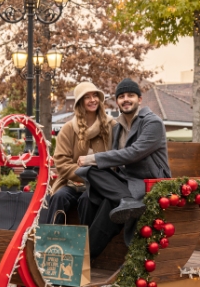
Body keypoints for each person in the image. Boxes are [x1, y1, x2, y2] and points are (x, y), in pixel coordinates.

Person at [76, 78, 171, 257]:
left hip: (150, 182)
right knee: (88, 175)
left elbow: (133, 153)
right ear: (117, 101)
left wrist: (93, 158)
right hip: (126, 183)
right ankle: (126, 199)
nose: (126, 99)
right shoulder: (117, 127)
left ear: (140, 99)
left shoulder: (153, 123)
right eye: (121, 96)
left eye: (131, 95)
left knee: (108, 202)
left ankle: (84, 258)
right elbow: (116, 163)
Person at [44, 82, 114, 224]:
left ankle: (87, 244)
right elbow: (62, 162)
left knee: (88, 200)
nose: (92, 100)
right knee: (59, 197)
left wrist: (97, 178)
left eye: (95, 96)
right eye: (87, 97)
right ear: (80, 102)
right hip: (72, 183)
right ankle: (49, 241)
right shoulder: (68, 128)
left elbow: (118, 156)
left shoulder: (111, 126)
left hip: (100, 185)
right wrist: (86, 174)